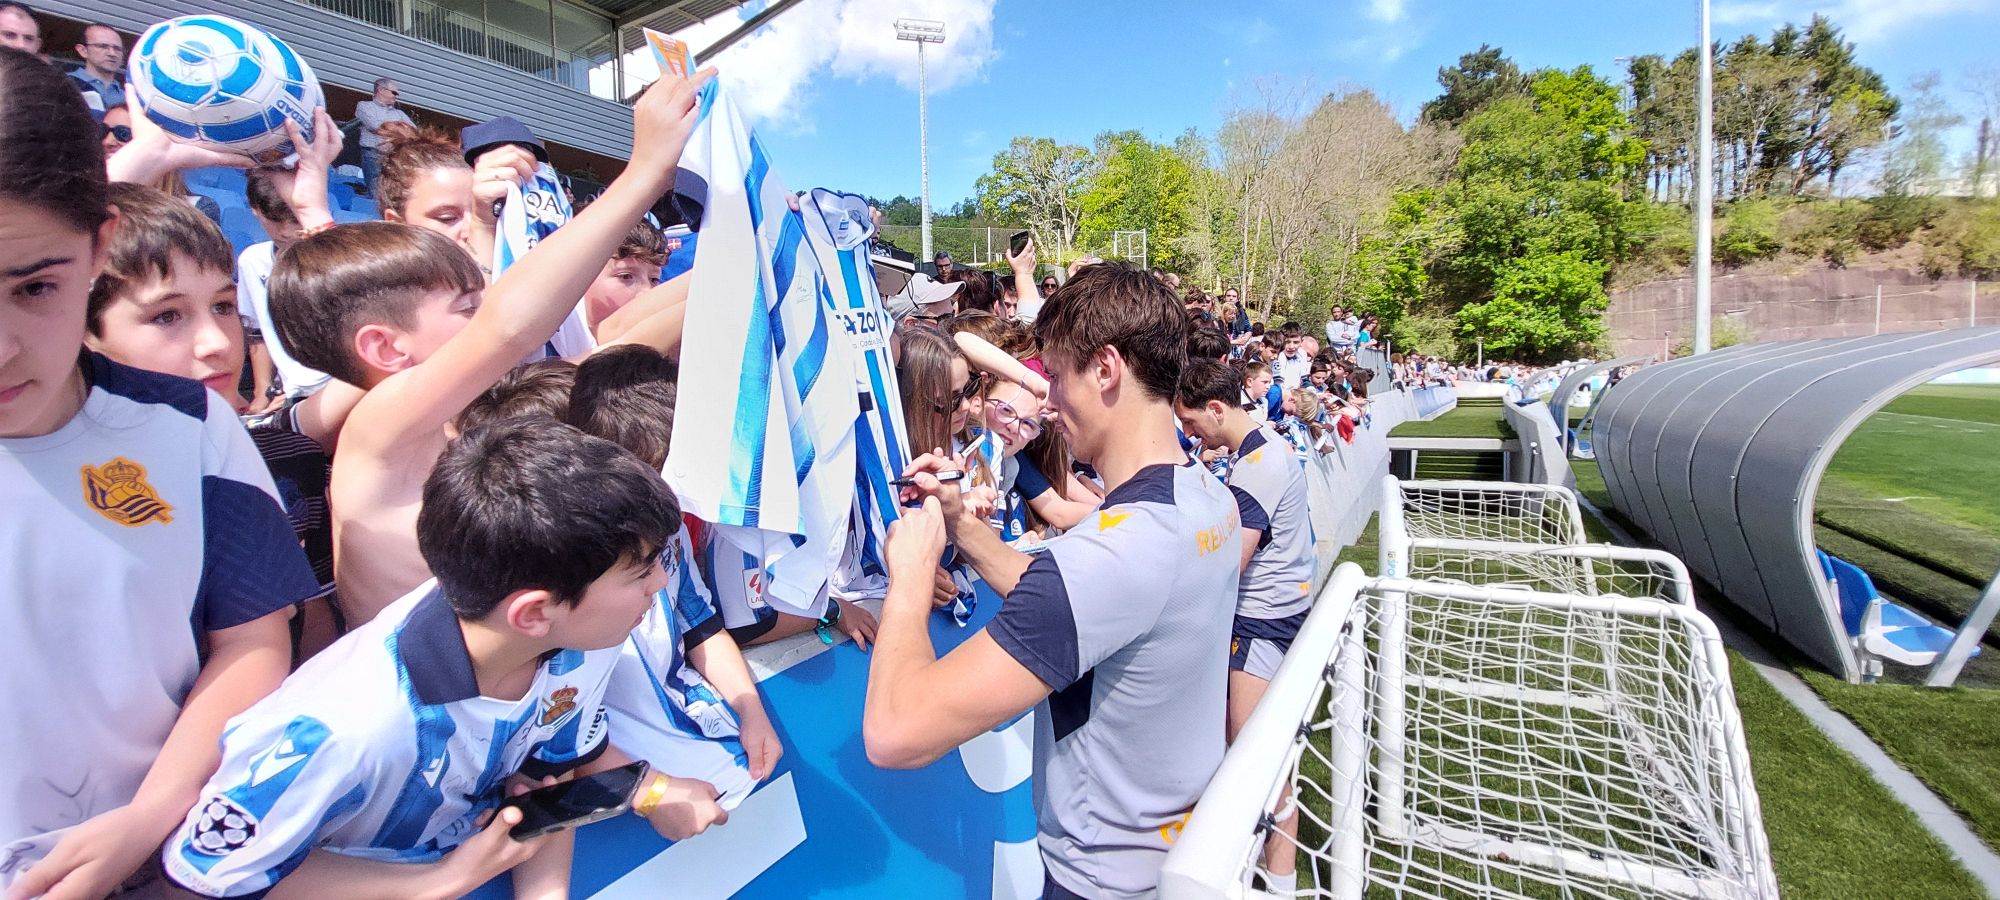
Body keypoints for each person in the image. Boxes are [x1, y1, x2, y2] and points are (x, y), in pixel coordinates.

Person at [162, 419, 729, 898]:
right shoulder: (344, 730)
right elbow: (202, 882)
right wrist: (437, 881)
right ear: (533, 612)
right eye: (640, 570)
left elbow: (541, 783)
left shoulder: (579, 644)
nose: (662, 581)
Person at [0, 49, 314, 897]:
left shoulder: (187, 425)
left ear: (99, 246)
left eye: (33, 288)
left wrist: (145, 819)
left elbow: (250, 640)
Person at [267, 66, 715, 624]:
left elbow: (613, 345)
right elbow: (508, 327)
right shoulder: (380, 427)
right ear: (386, 349)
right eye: (466, 308)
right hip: (427, 701)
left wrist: (737, 253)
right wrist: (644, 173)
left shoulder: (460, 417)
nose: (485, 313)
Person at [868, 263, 1244, 899]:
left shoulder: (1109, 558)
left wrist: (908, 575)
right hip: (1178, 854)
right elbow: (1078, 606)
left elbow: (895, 732)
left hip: (1103, 879)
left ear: (1105, 369)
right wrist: (961, 522)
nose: (1045, 400)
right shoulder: (1209, 495)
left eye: (1055, 376)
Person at [565, 344, 787, 807]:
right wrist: (650, 794)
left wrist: (751, 711)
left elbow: (701, 625)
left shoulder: (668, 525)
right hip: (627, 771)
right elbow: (553, 727)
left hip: (685, 744)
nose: (667, 488)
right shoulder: (562, 559)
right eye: (652, 471)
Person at [239, 169, 335, 405]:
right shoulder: (252, 261)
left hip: (339, 387)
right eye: (273, 220)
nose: (285, 231)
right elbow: (257, 332)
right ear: (254, 209)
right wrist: (262, 391)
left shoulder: (337, 261)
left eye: (293, 219)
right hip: (291, 393)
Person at [353, 77, 415, 193]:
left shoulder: (399, 113)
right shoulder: (364, 106)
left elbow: (413, 132)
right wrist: (399, 128)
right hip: (372, 155)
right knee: (376, 192)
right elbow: (374, 126)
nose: (396, 96)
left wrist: (389, 127)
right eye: (394, 92)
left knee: (391, 193)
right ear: (381, 90)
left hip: (394, 158)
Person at [68, 22, 123, 111]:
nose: (112, 53)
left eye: (117, 49)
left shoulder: (131, 98)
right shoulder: (63, 83)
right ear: (83, 50)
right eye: (103, 46)